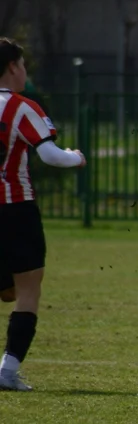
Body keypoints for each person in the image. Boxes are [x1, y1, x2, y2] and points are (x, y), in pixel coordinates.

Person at [0, 38, 86, 391]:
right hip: (15, 211)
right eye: (23, 65)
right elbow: (51, 155)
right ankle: (6, 371)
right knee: (27, 289)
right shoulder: (21, 107)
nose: (25, 73)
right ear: (12, 68)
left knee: (7, 290)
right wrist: (77, 156)